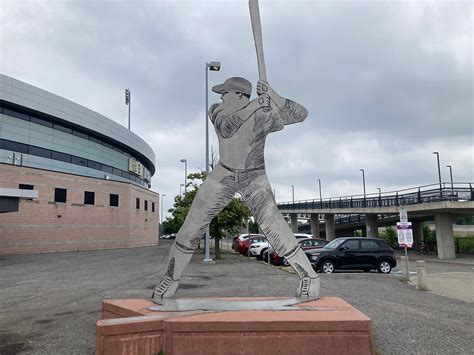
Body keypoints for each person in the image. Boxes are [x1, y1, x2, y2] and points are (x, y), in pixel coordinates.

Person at [153, 77, 320, 301]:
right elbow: (227, 127)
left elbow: (301, 114)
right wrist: (256, 105)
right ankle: (171, 278)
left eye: (226, 92)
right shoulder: (218, 110)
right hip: (223, 173)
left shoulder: (264, 114)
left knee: (275, 225)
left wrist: (274, 97)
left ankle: (308, 276)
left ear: (240, 94)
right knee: (193, 222)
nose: (222, 96)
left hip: (254, 175)